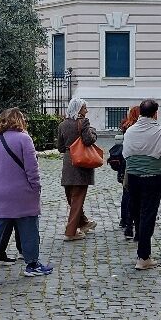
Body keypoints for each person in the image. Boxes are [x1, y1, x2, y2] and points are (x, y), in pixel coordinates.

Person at [0, 108, 54, 283]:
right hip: (22, 192)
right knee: (29, 230)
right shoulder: (24, 139)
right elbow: (32, 169)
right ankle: (32, 265)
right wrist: (36, 188)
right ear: (19, 120)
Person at [123, 99, 161, 270]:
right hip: (153, 176)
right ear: (155, 113)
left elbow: (126, 153)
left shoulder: (130, 131)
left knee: (137, 212)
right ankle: (144, 256)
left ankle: (142, 246)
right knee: (148, 214)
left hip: (133, 176)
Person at [57, 98, 98, 241]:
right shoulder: (84, 122)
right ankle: (71, 232)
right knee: (77, 198)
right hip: (81, 162)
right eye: (85, 108)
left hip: (68, 162)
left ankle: (84, 223)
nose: (86, 111)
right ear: (79, 109)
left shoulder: (62, 124)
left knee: (71, 196)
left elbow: (60, 147)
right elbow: (88, 140)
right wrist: (92, 131)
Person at [113, 106, 139, 240]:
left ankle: (124, 219)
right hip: (131, 161)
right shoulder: (134, 127)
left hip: (123, 162)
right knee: (132, 193)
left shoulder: (125, 125)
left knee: (126, 191)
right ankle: (131, 219)